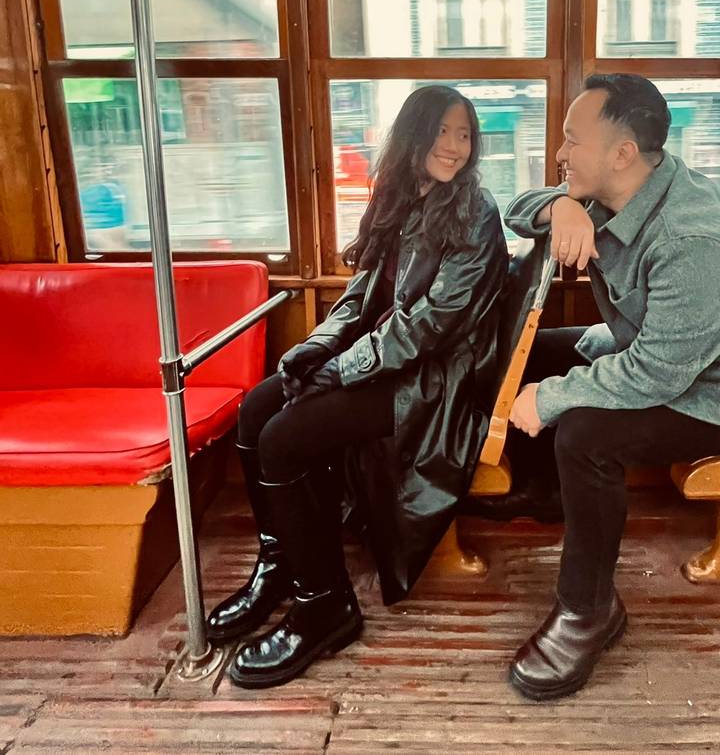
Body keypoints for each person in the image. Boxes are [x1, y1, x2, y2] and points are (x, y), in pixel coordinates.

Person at [207, 84, 508, 689]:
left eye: (464, 134)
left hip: (432, 382)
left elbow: (428, 328)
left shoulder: (475, 213)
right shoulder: (399, 195)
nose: (454, 146)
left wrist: (342, 369)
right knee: (256, 410)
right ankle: (281, 564)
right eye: (443, 131)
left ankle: (325, 606)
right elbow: (362, 296)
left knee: (285, 440)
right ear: (413, 135)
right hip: (390, 362)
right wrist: (317, 347)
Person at [499, 73, 720, 702]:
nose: (560, 153)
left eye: (572, 140)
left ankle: (589, 608)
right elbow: (516, 206)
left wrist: (554, 399)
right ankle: (547, 493)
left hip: (708, 392)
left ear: (623, 153)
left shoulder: (692, 238)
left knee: (588, 431)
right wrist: (560, 206)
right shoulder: (613, 193)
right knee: (535, 355)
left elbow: (657, 373)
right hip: (665, 360)